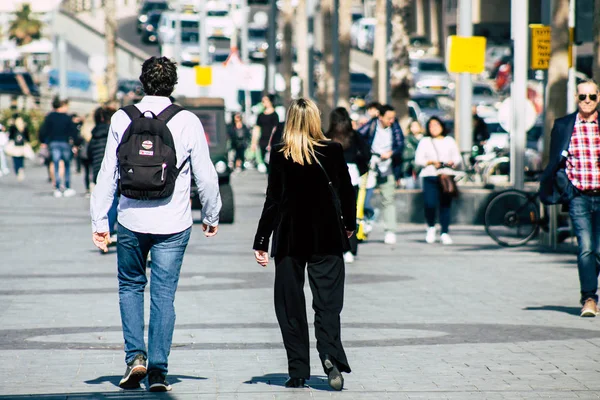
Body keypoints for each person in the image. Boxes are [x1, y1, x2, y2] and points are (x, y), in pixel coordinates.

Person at [90, 56, 222, 392]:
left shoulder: (122, 117)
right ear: (173, 84)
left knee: (131, 287)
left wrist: (100, 221)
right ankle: (159, 371)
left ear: (142, 83)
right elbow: (206, 175)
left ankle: (135, 358)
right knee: (163, 294)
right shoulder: (187, 120)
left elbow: (109, 171)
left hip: (131, 218)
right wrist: (210, 215)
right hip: (173, 221)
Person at [253, 98, 355, 391]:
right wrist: (349, 225)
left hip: (289, 237)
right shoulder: (332, 150)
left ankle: (297, 370)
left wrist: (261, 240)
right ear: (314, 119)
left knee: (290, 305)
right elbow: (346, 191)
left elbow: (273, 199)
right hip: (326, 236)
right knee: (328, 303)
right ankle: (329, 354)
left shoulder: (279, 153)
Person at [539, 78, 600, 317]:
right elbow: (556, 162)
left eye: (592, 96)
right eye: (582, 96)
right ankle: (589, 299)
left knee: (598, 250)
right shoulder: (564, 125)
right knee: (585, 247)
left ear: (598, 98)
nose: (587, 101)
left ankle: (590, 293)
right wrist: (567, 189)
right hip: (579, 197)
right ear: (576, 98)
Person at [325, 107, 370, 264]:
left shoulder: (327, 136)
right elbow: (366, 154)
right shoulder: (354, 136)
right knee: (350, 213)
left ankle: (335, 245)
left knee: (333, 214)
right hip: (352, 176)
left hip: (332, 178)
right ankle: (350, 248)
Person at [357, 104, 405, 245]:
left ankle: (390, 230)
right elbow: (359, 138)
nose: (391, 121)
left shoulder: (395, 128)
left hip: (388, 168)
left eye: (393, 118)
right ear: (380, 116)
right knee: (363, 198)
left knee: (388, 199)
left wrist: (391, 153)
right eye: (388, 118)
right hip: (370, 167)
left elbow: (400, 145)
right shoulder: (371, 126)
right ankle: (366, 220)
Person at [414, 116, 462, 245]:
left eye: (436, 125)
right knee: (429, 203)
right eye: (430, 126)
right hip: (429, 175)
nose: (433, 128)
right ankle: (431, 227)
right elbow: (418, 159)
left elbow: (457, 158)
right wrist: (430, 162)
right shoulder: (425, 141)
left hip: (446, 176)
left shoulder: (449, 141)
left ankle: (444, 232)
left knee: (445, 205)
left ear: (442, 126)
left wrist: (452, 163)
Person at [39, 97, 80, 198]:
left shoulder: (50, 117)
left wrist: (43, 141)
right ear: (62, 106)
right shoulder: (67, 117)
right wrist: (76, 143)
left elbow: (43, 130)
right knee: (66, 165)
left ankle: (57, 187)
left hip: (53, 143)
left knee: (56, 164)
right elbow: (73, 131)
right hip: (65, 143)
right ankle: (67, 187)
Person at [88, 105, 118, 239]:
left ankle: (105, 227)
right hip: (114, 170)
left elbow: (88, 154)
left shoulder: (94, 135)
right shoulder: (115, 132)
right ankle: (110, 229)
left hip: (97, 170)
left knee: (103, 199)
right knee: (114, 200)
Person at [252, 94, 279, 173]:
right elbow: (257, 129)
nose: (263, 102)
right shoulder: (260, 115)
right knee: (265, 159)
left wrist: (270, 142)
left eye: (265, 100)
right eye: (263, 101)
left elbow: (275, 129)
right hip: (263, 140)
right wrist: (254, 142)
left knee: (272, 160)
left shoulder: (275, 115)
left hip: (272, 140)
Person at [400, 119, 424, 189]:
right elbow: (405, 153)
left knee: (421, 189)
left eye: (416, 126)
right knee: (410, 188)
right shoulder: (406, 139)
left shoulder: (425, 139)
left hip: (421, 168)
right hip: (409, 167)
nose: (414, 128)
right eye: (412, 126)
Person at [7, 115, 30, 181]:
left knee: (15, 159)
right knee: (21, 159)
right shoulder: (24, 127)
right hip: (22, 146)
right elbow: (27, 137)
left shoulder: (13, 127)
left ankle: (18, 170)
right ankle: (21, 168)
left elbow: (10, 137)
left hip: (15, 146)